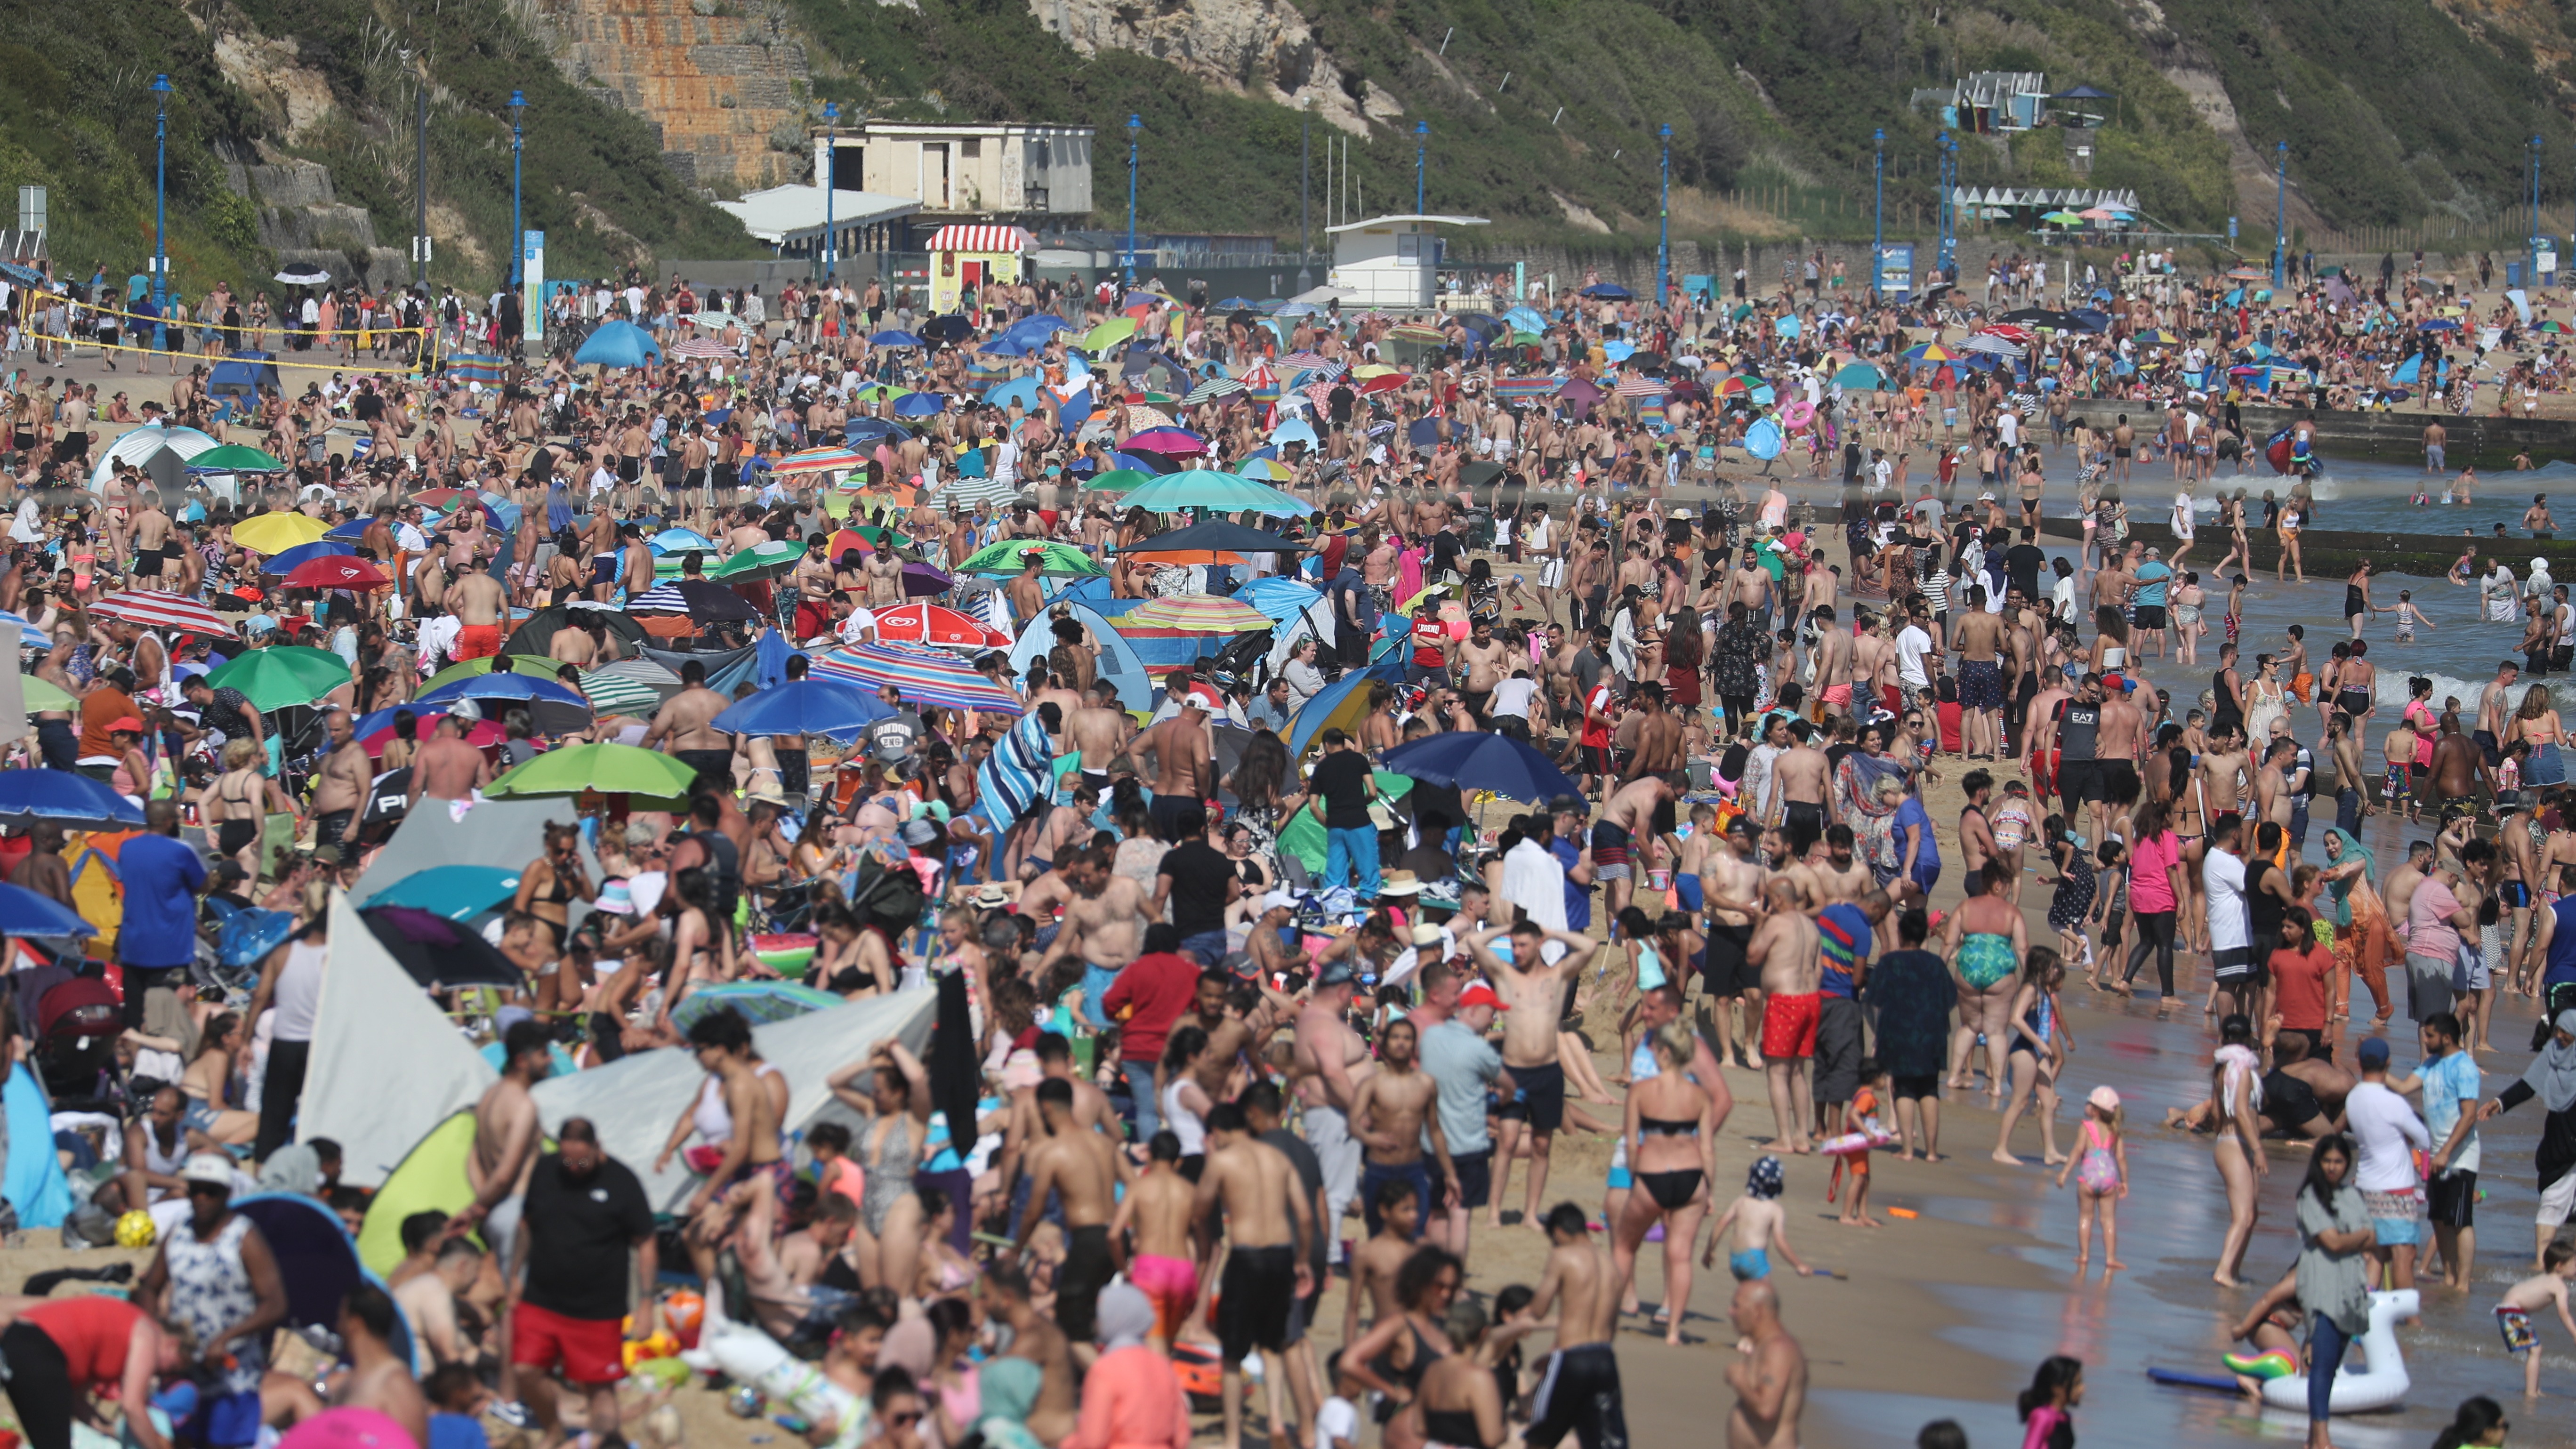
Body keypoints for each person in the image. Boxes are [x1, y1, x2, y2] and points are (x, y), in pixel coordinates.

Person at [507, 1118, 658, 1449]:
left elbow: (645, 1242)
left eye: (582, 1161)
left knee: (598, 1388)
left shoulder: (622, 1181)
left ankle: (607, 1442)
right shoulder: (545, 1170)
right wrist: (515, 1275)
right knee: (524, 1370)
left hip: (597, 1309)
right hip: (542, 1297)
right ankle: (553, 1429)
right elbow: (526, 1225)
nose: (574, 1168)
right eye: (568, 1160)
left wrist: (646, 1303)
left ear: (597, 1147)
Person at [134, 1153, 287, 1449]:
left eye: (211, 1192)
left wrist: (228, 1339)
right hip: (186, 1371)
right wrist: (154, 1330)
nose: (202, 1198)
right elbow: (150, 1287)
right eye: (195, 1190)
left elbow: (275, 1303)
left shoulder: (244, 1237)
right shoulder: (179, 1232)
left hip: (233, 1375)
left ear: (227, 1194)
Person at [1192, 1102, 1314, 1449]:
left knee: (1233, 1353)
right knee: (1272, 1345)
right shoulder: (1278, 1157)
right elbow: (1304, 1217)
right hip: (1281, 1253)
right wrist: (1302, 1259)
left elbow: (1200, 1209)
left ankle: (1233, 1438)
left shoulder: (1223, 1161)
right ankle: (1276, 1418)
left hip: (1246, 1255)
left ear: (1216, 1133)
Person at [0, 1295, 185, 1449]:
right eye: (172, 1368)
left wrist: (109, 1429)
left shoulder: (115, 1337)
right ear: (172, 1345)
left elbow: (75, 1401)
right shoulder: (149, 1333)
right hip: (39, 1348)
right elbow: (132, 1406)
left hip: (17, 1340)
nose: (162, 1374)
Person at [2291, 1134, 2375, 1449]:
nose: (2333, 1167)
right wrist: (2358, 1236)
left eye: (2339, 1162)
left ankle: (2313, 1440)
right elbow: (2334, 1242)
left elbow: (2374, 1238)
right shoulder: (2310, 1196)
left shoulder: (2352, 1195)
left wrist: (2354, 1237)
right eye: (2327, 1161)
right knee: (2323, 1362)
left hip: (2350, 1285)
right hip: (2321, 1282)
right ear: (2319, 1161)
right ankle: (2322, 1439)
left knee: (2333, 1362)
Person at [2477, 1009, 2576, 1268]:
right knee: (2551, 1197)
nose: (2561, 1037)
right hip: (2559, 1141)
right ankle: (2544, 1262)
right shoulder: (2553, 1054)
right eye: (2559, 1032)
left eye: (2567, 1035)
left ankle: (2558, 1264)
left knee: (2560, 1205)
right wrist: (2499, 1103)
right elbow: (2529, 1085)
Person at [1524, 1202, 1626, 1449]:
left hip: (1572, 1357)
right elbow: (1612, 1327)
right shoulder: (1613, 1266)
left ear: (1559, 1232)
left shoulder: (1562, 1257)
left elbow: (1539, 1310)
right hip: (1604, 1358)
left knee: (1540, 1436)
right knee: (1606, 1439)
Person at [2343, 1036, 2430, 1294]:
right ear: (2388, 1063)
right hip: (2395, 1189)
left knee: (2377, 1253)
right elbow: (2425, 1139)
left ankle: (2365, 1306)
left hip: (2366, 1186)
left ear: (2358, 1062)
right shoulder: (2393, 1103)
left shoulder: (2353, 1098)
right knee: (2404, 1255)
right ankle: (2411, 1320)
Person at [117, 799, 206, 1031]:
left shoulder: (127, 849)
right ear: (168, 822)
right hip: (170, 948)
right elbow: (202, 883)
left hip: (134, 944)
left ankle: (137, 1059)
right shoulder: (181, 850)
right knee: (169, 1019)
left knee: (135, 1017)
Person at [2053, 1085, 2128, 1276]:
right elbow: (2120, 1158)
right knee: (2108, 1220)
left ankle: (2084, 1255)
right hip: (2109, 1180)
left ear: (2095, 1110)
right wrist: (2124, 1181)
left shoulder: (2087, 1127)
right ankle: (2110, 1258)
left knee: (2086, 1217)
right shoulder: (2115, 1131)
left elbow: (2078, 1151)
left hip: (2088, 1178)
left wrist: (2065, 1173)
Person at [1701, 1156, 1811, 1282]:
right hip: (1754, 1259)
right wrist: (1799, 1265)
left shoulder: (1741, 1202)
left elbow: (1721, 1224)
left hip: (1735, 1258)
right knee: (1764, 1298)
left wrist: (1709, 1252)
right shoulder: (1775, 1209)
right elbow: (1780, 1242)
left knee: (1747, 1295)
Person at [1723, 1278, 1804, 1449]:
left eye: (1736, 1306)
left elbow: (1766, 1409)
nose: (1730, 1312)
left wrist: (1739, 1380)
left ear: (1758, 1312)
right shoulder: (1764, 1345)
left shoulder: (1779, 1349)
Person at [2495, 1240, 2576, 1396]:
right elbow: (2564, 1313)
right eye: (2574, 1265)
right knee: (2535, 1350)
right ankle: (2531, 1393)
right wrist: (2574, 1334)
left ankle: (2535, 1389)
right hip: (2512, 1311)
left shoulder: (2547, 1279)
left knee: (2535, 1350)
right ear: (2560, 1266)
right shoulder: (2559, 1286)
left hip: (2510, 1310)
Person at [2016, 1355, 2084, 1449]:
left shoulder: (2065, 1417)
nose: (2082, 1389)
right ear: (2057, 1388)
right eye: (2076, 1384)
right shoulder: (2042, 1416)